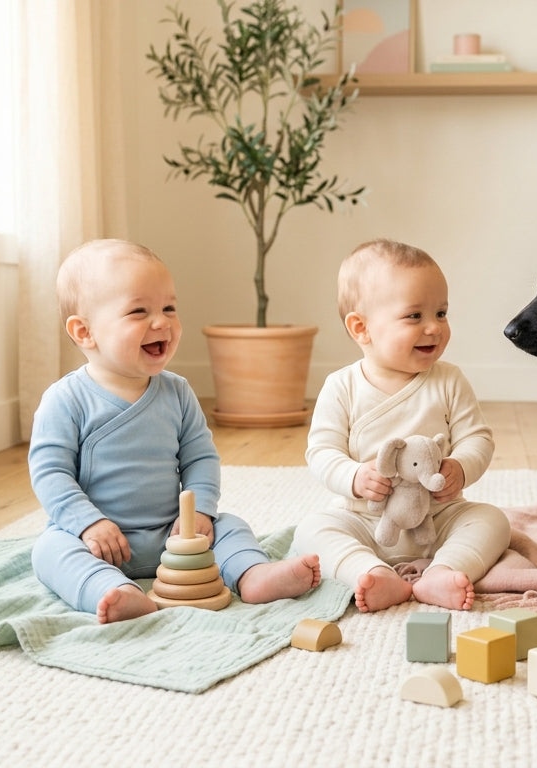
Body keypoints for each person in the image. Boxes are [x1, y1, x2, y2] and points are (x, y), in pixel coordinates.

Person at [29, 239, 320, 623]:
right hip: (98, 542)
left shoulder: (177, 392)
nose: (162, 321)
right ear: (85, 332)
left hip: (175, 536)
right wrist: (88, 524)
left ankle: (253, 574)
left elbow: (200, 457)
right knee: (48, 550)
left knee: (230, 525)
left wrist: (198, 512)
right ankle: (114, 591)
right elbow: (50, 473)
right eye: (138, 311)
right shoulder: (65, 399)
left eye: (169, 308)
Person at [294, 239, 511, 612]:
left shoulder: (449, 380)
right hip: (364, 519)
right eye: (415, 316)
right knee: (310, 532)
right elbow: (322, 452)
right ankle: (373, 573)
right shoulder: (342, 386)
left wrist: (460, 467)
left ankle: (444, 570)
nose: (434, 328)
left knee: (493, 521)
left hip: (438, 516)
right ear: (361, 328)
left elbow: (477, 438)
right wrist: (353, 476)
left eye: (441, 313)